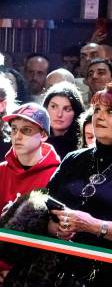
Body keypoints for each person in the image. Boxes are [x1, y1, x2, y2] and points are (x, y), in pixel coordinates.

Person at [0, 102, 60, 286]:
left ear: (43, 135)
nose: (17, 136)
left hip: (32, 272)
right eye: (14, 129)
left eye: (26, 130)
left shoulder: (57, 174)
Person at [46, 82, 112, 284]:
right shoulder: (74, 159)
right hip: (61, 272)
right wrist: (57, 228)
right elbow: (45, 209)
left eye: (109, 111)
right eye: (97, 109)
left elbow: (90, 224)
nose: (99, 116)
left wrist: (92, 225)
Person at [42, 82, 85, 158]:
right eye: (54, 107)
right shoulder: (36, 140)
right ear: (45, 108)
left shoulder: (83, 143)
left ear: (76, 112)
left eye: (67, 109)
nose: (59, 114)